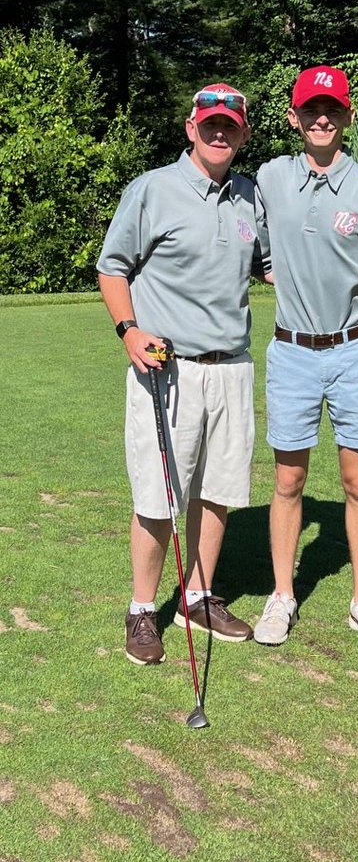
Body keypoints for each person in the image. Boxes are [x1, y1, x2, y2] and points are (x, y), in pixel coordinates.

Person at [97, 84, 269, 665]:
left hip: (233, 369)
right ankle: (143, 609)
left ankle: (197, 595)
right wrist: (128, 330)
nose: (220, 133)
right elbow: (112, 267)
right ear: (191, 128)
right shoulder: (152, 190)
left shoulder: (250, 197)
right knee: (156, 493)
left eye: (231, 125)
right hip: (165, 368)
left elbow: (270, 266)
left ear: (243, 133)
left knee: (216, 491)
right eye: (211, 123)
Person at [253, 65, 358, 651]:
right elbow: (247, 225)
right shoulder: (269, 177)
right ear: (294, 117)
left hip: (356, 349)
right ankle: (281, 595)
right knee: (288, 479)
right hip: (291, 350)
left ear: (346, 117)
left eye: (333, 109)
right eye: (311, 109)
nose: (322, 118)